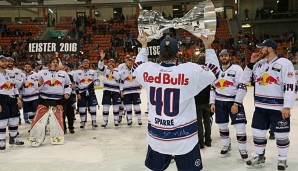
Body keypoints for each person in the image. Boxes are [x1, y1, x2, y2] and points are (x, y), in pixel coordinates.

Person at [133, 34, 220, 171]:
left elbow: (135, 68)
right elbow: (214, 71)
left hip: (158, 137)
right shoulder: (188, 70)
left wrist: (144, 46)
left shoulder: (148, 69)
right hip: (184, 138)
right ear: (177, 53)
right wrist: (208, 46)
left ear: (160, 53)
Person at [242, 39, 297, 170]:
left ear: (270, 49)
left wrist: (287, 106)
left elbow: (290, 86)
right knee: (258, 133)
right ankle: (259, 156)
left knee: (281, 135)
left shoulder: (284, 63)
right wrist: (251, 63)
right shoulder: (259, 64)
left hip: (278, 107)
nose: (260, 50)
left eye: (262, 47)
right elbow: (244, 80)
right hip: (261, 106)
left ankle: (282, 159)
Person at [210, 49, 248, 159]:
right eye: (222, 56)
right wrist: (212, 102)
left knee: (240, 126)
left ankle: (242, 149)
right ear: (219, 58)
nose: (224, 57)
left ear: (229, 57)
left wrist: (236, 103)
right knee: (222, 126)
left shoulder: (237, 69)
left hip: (233, 102)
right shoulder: (215, 70)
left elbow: (242, 87)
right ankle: (226, 145)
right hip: (219, 102)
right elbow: (212, 88)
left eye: (226, 55)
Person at [28, 58, 71, 147]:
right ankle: (35, 139)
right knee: (39, 122)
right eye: (53, 62)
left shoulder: (64, 74)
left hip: (58, 101)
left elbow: (68, 85)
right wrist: (39, 84)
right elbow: (36, 87)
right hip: (44, 101)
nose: (55, 64)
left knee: (56, 122)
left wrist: (67, 92)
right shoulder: (42, 73)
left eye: (56, 62)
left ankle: (57, 139)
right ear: (49, 64)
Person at [0, 55, 24, 150]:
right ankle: (1, 140)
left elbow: (14, 86)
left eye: (6, 61)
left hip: (12, 97)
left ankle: (13, 138)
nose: (5, 63)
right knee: (2, 120)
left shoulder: (10, 73)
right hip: (1, 98)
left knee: (14, 118)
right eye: (2, 61)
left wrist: (18, 98)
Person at [73, 59, 98, 129]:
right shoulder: (77, 73)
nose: (86, 64)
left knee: (93, 107)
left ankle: (94, 121)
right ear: (82, 64)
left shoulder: (93, 72)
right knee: (82, 108)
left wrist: (95, 83)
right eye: (84, 62)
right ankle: (83, 122)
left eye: (87, 62)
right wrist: (77, 93)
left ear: (89, 64)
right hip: (81, 92)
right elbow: (75, 84)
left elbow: (96, 81)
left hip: (91, 92)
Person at [194, 55, 212, 149]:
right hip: (207, 100)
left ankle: (200, 142)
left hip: (197, 100)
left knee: (199, 122)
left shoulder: (195, 71)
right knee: (207, 121)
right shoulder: (209, 71)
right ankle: (208, 140)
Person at [98, 57, 121, 127]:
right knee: (105, 106)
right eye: (109, 62)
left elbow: (118, 78)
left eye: (112, 62)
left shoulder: (118, 70)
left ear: (114, 63)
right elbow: (100, 66)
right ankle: (105, 121)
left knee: (116, 106)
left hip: (116, 90)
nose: (110, 63)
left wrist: (112, 70)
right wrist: (101, 59)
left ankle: (116, 120)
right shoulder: (105, 69)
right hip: (107, 90)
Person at [119, 57, 142, 126]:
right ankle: (129, 120)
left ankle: (139, 119)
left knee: (137, 106)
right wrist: (121, 91)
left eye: (131, 63)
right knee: (128, 107)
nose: (130, 64)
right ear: (126, 63)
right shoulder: (122, 71)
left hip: (135, 91)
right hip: (126, 92)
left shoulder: (136, 70)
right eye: (128, 63)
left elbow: (140, 79)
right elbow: (121, 82)